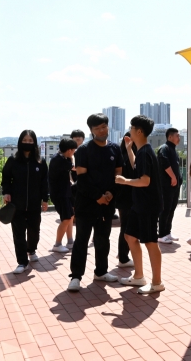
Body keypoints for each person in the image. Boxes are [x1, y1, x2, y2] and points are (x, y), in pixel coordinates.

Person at [67, 114, 123, 291]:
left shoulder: (115, 148)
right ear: (91, 130)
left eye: (104, 126)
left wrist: (110, 194)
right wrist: (98, 196)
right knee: (82, 240)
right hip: (86, 203)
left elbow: (118, 175)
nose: (102, 130)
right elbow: (81, 179)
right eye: (98, 128)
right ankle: (76, 276)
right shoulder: (84, 150)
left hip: (107, 204)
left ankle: (101, 271)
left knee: (103, 239)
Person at [115, 115, 165, 294]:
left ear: (139, 131)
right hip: (140, 204)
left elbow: (144, 180)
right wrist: (129, 149)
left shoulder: (146, 152)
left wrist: (124, 181)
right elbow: (138, 165)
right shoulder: (143, 151)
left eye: (131, 127)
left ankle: (157, 282)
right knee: (130, 236)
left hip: (148, 205)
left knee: (151, 242)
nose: (129, 130)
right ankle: (138, 276)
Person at [2, 130, 49, 274]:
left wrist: (45, 199)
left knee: (34, 231)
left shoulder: (40, 162)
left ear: (34, 143)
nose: (27, 143)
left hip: (34, 204)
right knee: (19, 233)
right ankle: (22, 262)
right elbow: (6, 178)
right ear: (20, 142)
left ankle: (31, 249)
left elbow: (44, 182)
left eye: (30, 141)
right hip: (17, 204)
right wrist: (6, 193)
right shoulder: (13, 161)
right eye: (25, 140)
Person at [48, 138, 77, 253]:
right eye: (74, 150)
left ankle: (70, 242)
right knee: (66, 218)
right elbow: (74, 167)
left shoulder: (61, 157)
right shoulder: (59, 160)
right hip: (60, 194)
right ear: (69, 150)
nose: (74, 152)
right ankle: (57, 244)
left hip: (65, 192)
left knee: (70, 216)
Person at [157, 127, 183, 244]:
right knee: (165, 209)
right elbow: (164, 163)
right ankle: (161, 234)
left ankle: (167, 232)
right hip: (166, 186)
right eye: (177, 136)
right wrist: (173, 177)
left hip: (174, 186)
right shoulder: (164, 148)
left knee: (171, 209)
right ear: (170, 137)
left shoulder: (174, 150)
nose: (179, 138)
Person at [115, 132, 136, 268]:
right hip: (128, 197)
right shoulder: (129, 156)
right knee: (127, 227)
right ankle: (123, 257)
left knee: (125, 226)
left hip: (122, 196)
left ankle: (123, 254)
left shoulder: (120, 155)